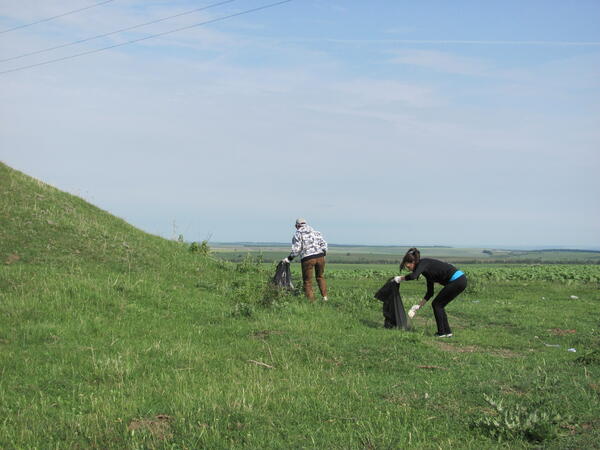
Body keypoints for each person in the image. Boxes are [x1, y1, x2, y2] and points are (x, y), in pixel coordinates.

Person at [393, 247, 467, 337]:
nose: (409, 269)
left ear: (413, 262)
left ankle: (441, 333)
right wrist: (418, 306)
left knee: (437, 304)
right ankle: (447, 332)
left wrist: (400, 278)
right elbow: (430, 292)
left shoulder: (423, 262)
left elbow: (413, 276)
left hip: (457, 280)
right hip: (460, 280)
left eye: (408, 266)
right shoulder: (427, 271)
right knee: (439, 305)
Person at [282, 218, 328, 302]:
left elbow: (297, 249)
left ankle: (312, 302)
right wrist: (322, 254)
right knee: (320, 277)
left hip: (308, 258)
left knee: (307, 281)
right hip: (320, 257)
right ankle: (325, 298)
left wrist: (289, 259)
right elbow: (324, 245)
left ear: (297, 226)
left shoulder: (298, 234)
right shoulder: (316, 232)